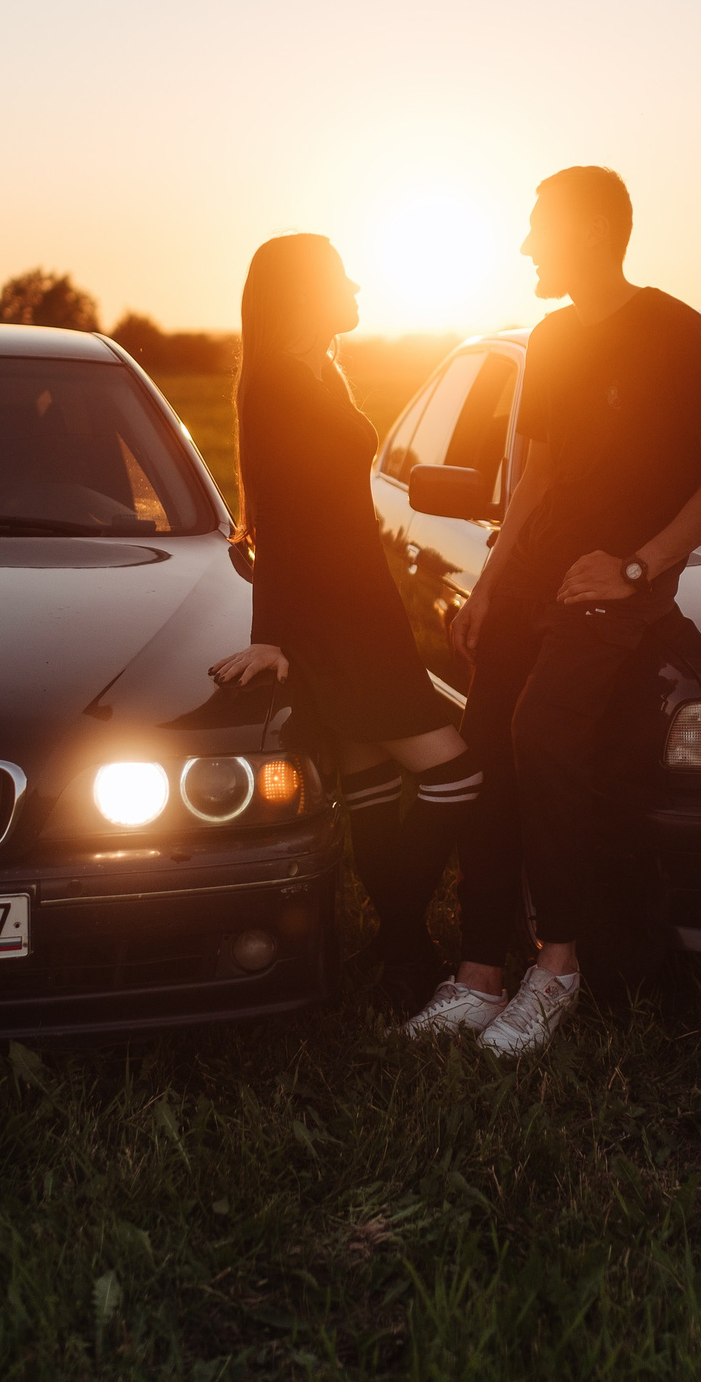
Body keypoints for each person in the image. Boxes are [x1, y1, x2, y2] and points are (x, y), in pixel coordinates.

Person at [401, 167, 701, 1055]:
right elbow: (541, 475)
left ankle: (556, 967)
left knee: (543, 737)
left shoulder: (672, 331)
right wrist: (489, 584)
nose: (526, 245)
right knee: (488, 750)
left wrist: (639, 566)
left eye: (539, 228)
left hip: (614, 589)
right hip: (533, 575)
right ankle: (480, 972)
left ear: (596, 231)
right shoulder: (555, 334)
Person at [209, 234, 483, 998]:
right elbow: (286, 524)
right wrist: (271, 636)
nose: (355, 285)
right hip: (341, 621)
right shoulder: (281, 388)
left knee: (365, 786)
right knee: (458, 774)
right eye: (339, 277)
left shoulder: (310, 371)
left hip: (360, 610)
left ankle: (400, 958)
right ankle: (403, 938)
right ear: (304, 293)